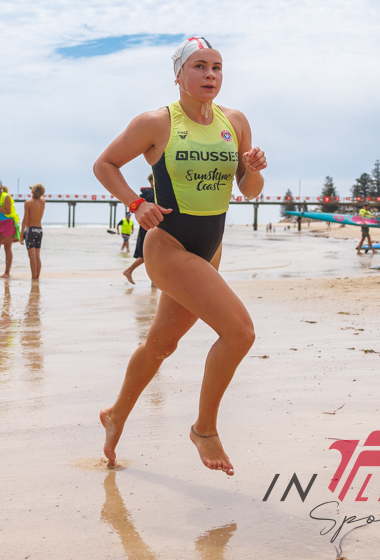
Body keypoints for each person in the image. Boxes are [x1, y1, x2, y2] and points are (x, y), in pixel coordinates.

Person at [92, 36, 267, 476]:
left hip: (211, 248)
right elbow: (105, 165)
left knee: (161, 344)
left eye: (217, 67)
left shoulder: (235, 122)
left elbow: (249, 191)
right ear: (179, 75)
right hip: (168, 246)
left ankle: (115, 414)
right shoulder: (156, 122)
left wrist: (253, 169)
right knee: (240, 333)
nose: (210, 74)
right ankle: (204, 429)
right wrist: (136, 204)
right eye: (199, 66)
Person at [123, 175, 155, 284]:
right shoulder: (150, 195)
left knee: (149, 256)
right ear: (152, 181)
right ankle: (129, 271)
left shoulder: (149, 194)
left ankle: (154, 282)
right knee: (146, 255)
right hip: (148, 228)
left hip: (149, 227)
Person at [0, 179, 21, 278]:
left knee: (7, 248)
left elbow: (7, 211)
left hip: (8, 222)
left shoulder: (6, 196)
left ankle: (7, 272)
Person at [21, 183, 46, 280]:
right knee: (37, 256)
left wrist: (21, 234)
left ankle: (33, 278)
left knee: (32, 256)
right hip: (39, 230)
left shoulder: (28, 203)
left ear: (33, 191)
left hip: (31, 230)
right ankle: (37, 278)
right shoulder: (43, 201)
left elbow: (25, 220)